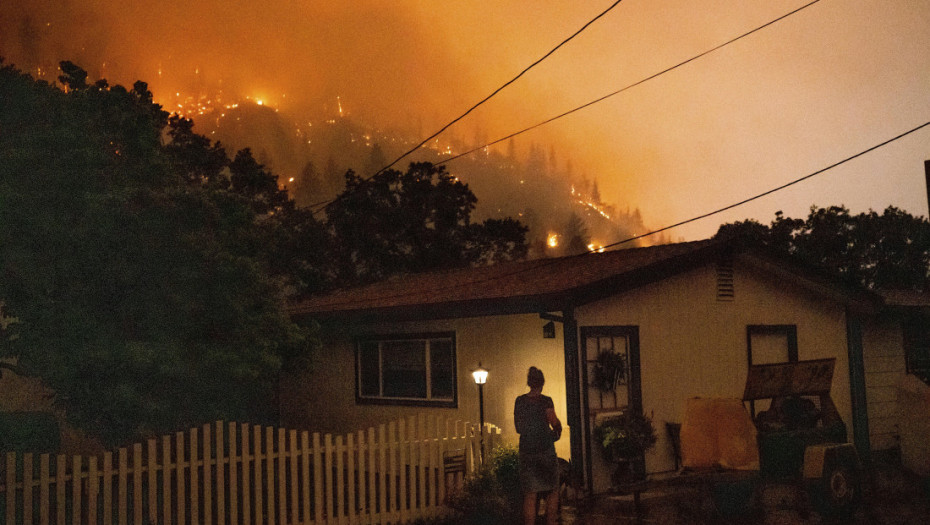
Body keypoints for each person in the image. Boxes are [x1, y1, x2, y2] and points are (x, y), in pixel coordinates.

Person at [514, 366, 563, 525]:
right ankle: (550, 522)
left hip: (527, 451)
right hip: (545, 450)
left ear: (529, 383)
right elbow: (553, 421)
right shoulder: (546, 401)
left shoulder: (519, 401)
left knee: (530, 494)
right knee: (552, 490)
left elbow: (518, 428)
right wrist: (557, 429)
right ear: (542, 383)